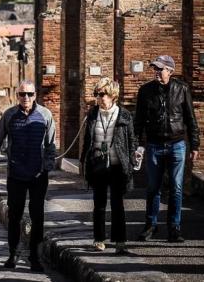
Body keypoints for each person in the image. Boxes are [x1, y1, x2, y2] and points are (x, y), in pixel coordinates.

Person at [0, 80, 56, 272]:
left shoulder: (46, 115)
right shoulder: (9, 115)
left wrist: (47, 167)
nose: (26, 98)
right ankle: (13, 254)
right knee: (14, 215)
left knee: (37, 216)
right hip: (15, 174)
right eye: (22, 94)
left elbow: (50, 145)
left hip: (38, 175)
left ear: (35, 95)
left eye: (30, 94)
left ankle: (35, 256)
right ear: (17, 96)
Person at [135, 55, 199, 243]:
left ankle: (174, 228)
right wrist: (138, 145)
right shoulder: (145, 91)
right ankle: (151, 226)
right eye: (155, 68)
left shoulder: (182, 89)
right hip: (154, 145)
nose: (156, 72)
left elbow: (190, 118)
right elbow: (138, 121)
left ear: (170, 71)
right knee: (153, 188)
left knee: (176, 188)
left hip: (177, 144)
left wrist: (194, 144)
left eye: (160, 69)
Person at [79, 77, 137, 255]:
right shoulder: (92, 114)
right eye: (97, 94)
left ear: (112, 95)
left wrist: (133, 159)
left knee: (118, 204)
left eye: (102, 94)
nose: (99, 97)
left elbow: (131, 141)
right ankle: (99, 239)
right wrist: (83, 162)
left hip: (118, 165)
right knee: (99, 204)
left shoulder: (125, 115)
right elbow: (87, 141)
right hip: (98, 164)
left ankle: (120, 242)